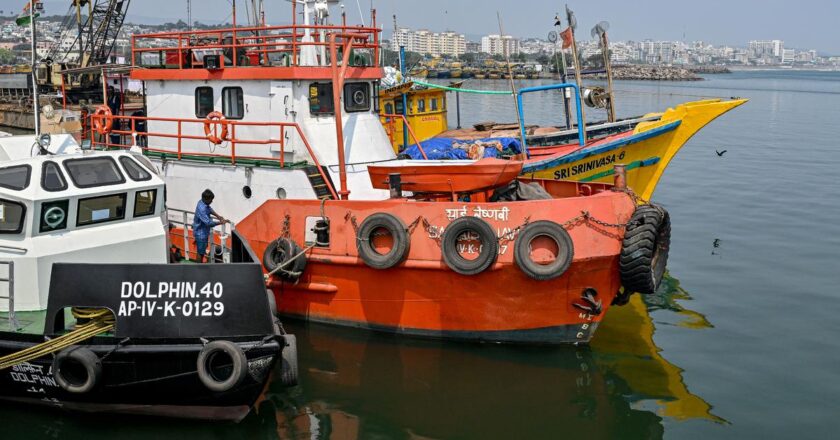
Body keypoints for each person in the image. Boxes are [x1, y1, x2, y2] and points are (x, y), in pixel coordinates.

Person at [192, 189, 227, 263]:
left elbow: (209, 209)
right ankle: (197, 269)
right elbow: (208, 223)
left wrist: (218, 216)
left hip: (203, 231)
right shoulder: (202, 209)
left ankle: (199, 267)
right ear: (206, 199)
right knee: (200, 253)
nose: (212, 201)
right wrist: (221, 222)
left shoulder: (202, 202)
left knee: (202, 251)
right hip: (200, 233)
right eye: (211, 199)